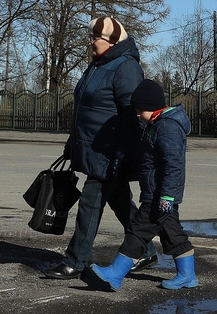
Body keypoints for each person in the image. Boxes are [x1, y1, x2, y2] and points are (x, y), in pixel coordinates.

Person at [43, 17, 157, 280]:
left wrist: (124, 153)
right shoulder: (97, 65)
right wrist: (72, 144)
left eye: (96, 37)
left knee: (90, 203)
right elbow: (86, 109)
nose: (91, 42)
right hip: (95, 148)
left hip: (111, 151)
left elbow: (134, 114)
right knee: (120, 203)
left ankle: (75, 260)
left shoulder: (125, 67)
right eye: (91, 37)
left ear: (113, 41)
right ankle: (145, 249)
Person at [89, 78, 197, 292]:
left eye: (140, 110)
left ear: (152, 107)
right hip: (156, 192)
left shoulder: (166, 127)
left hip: (159, 195)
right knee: (171, 233)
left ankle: (115, 274)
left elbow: (173, 165)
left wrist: (166, 196)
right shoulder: (157, 124)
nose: (138, 115)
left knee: (138, 231)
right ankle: (188, 275)